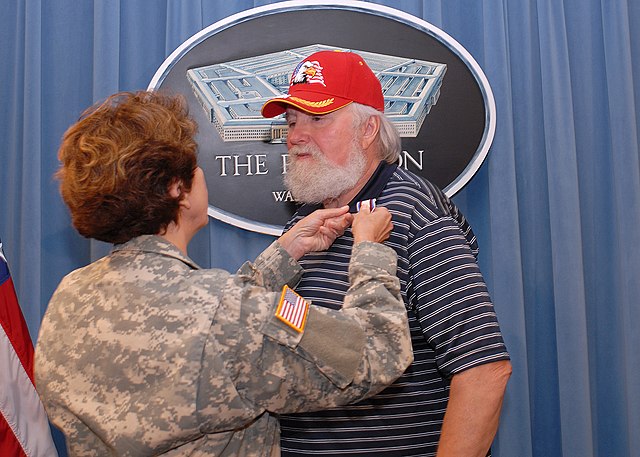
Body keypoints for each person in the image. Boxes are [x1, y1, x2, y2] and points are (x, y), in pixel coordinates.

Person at [34, 90, 414, 457]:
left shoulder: (70, 296)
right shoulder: (224, 310)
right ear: (177, 189)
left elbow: (219, 325)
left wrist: (285, 254)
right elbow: (376, 353)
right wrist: (370, 251)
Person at [261, 50, 513, 456]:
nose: (295, 135)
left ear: (368, 129)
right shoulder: (304, 224)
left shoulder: (413, 212)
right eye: (292, 122)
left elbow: (483, 370)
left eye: (318, 119)